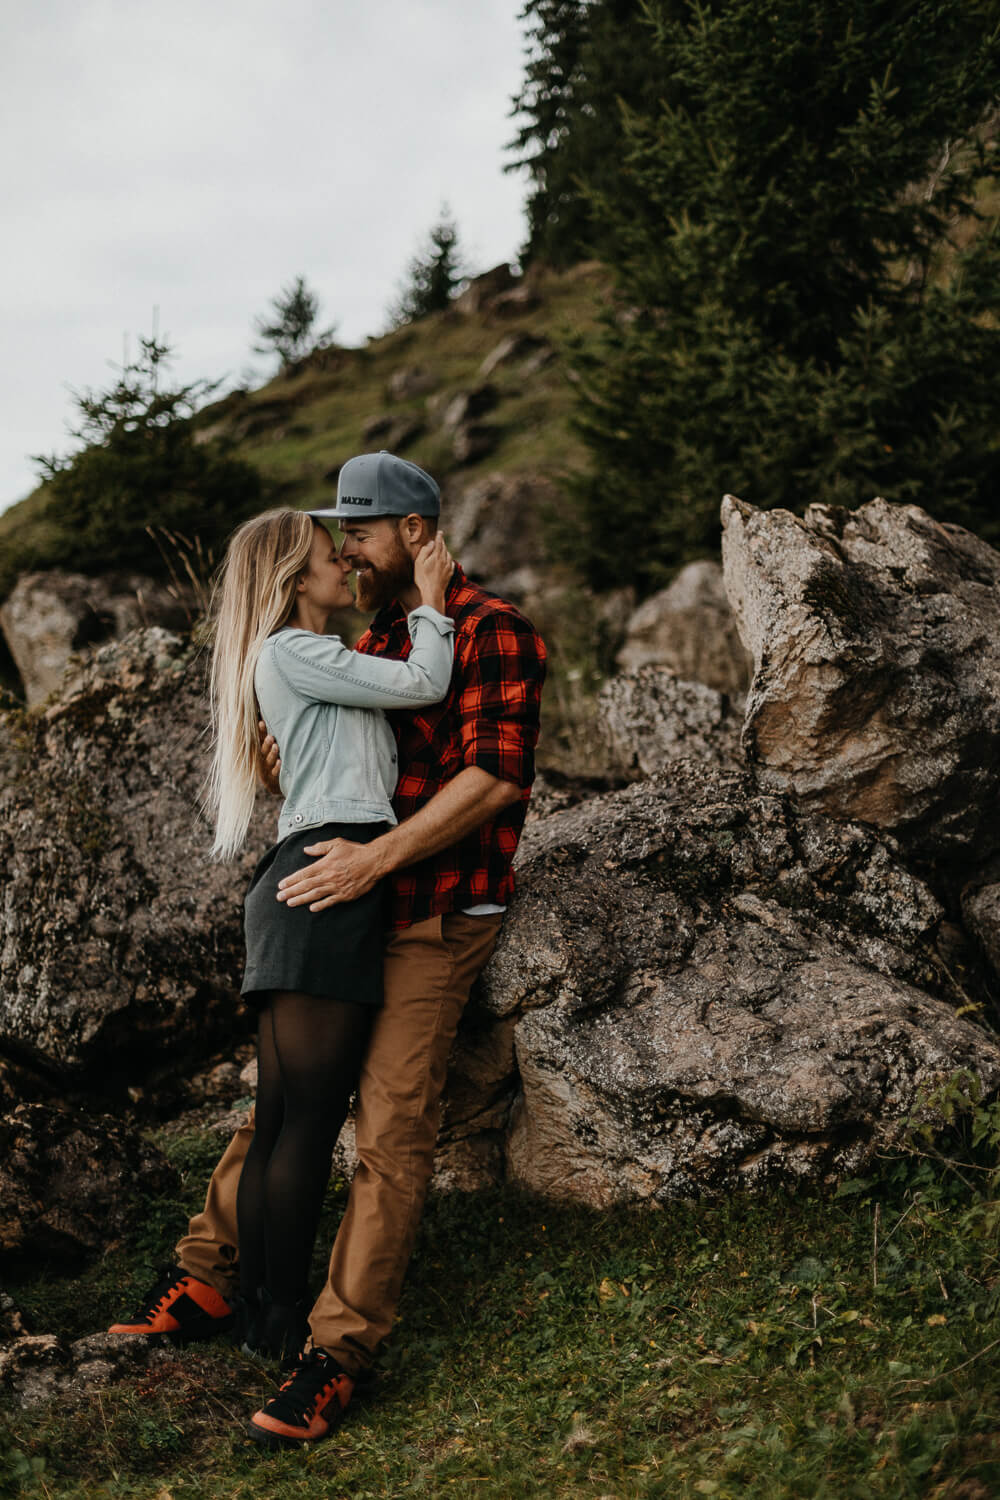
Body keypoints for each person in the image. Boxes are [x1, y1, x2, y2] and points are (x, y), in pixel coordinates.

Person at [110, 451, 547, 1450]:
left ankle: (334, 1351)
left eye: (358, 531)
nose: (346, 550)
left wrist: (372, 860)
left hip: (434, 914)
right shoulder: (379, 632)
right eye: (334, 539)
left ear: (415, 532)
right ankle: (209, 1275)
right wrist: (293, 784)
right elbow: (344, 762)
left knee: (389, 1130)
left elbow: (492, 779)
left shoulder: (494, 632)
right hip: (350, 902)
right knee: (288, 1102)